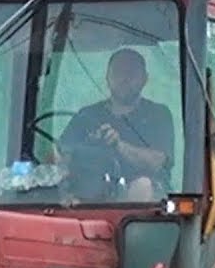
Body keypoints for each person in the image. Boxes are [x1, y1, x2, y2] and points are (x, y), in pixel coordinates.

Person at [56, 48, 174, 201]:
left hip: (141, 212)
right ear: (107, 77)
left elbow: (157, 162)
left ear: (145, 79)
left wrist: (118, 145)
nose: (124, 79)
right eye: (118, 72)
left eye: (131, 73)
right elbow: (60, 156)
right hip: (90, 195)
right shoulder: (87, 115)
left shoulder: (158, 114)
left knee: (142, 186)